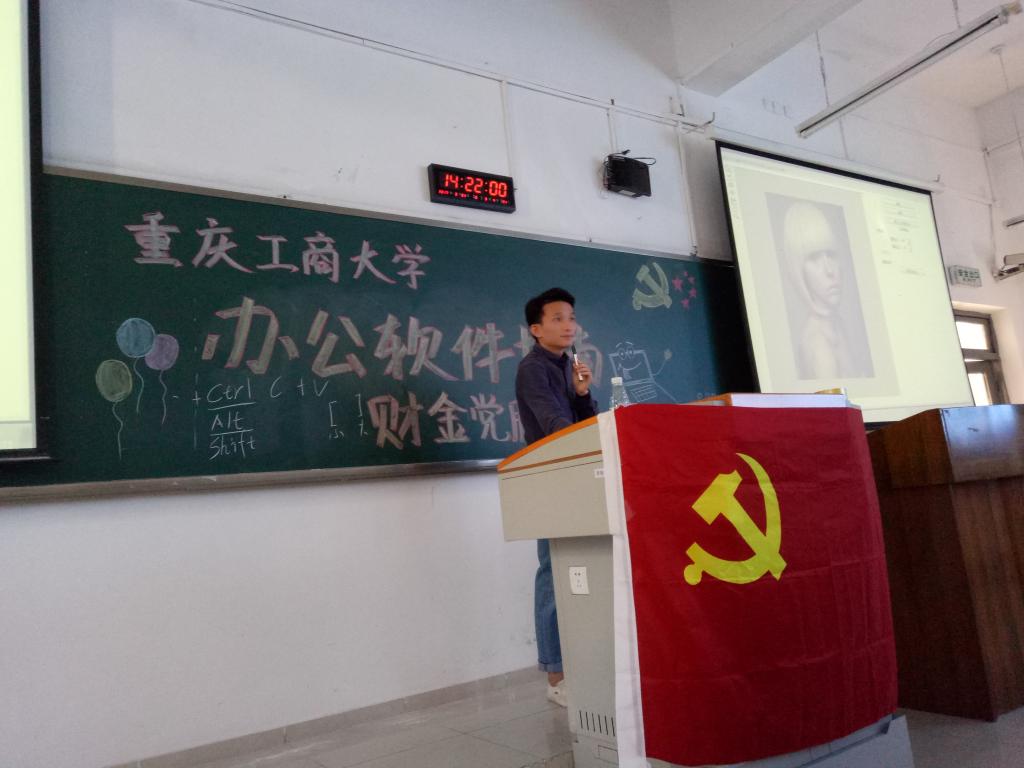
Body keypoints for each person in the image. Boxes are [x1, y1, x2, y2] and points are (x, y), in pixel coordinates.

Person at [515, 287, 596, 708]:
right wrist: (577, 416)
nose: (569, 325)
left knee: (580, 570)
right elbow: (554, 427)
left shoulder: (568, 366)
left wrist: (582, 394)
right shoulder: (533, 369)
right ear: (536, 328)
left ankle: (582, 665)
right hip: (549, 480)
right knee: (552, 572)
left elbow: (584, 424)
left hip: (574, 477)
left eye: (572, 318)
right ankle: (556, 676)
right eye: (558, 318)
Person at [781, 201, 862, 379]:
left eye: (831, 254)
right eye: (814, 257)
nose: (829, 270)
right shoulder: (817, 342)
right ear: (798, 269)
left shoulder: (836, 324)